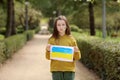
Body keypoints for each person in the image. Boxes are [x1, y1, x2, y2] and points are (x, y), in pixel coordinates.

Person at [45, 15, 81, 80]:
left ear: (66, 26)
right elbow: (48, 57)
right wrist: (47, 50)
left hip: (69, 70)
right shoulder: (51, 39)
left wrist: (77, 51)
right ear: (56, 27)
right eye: (58, 25)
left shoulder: (71, 39)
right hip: (56, 70)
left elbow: (77, 57)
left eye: (63, 24)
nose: (61, 27)